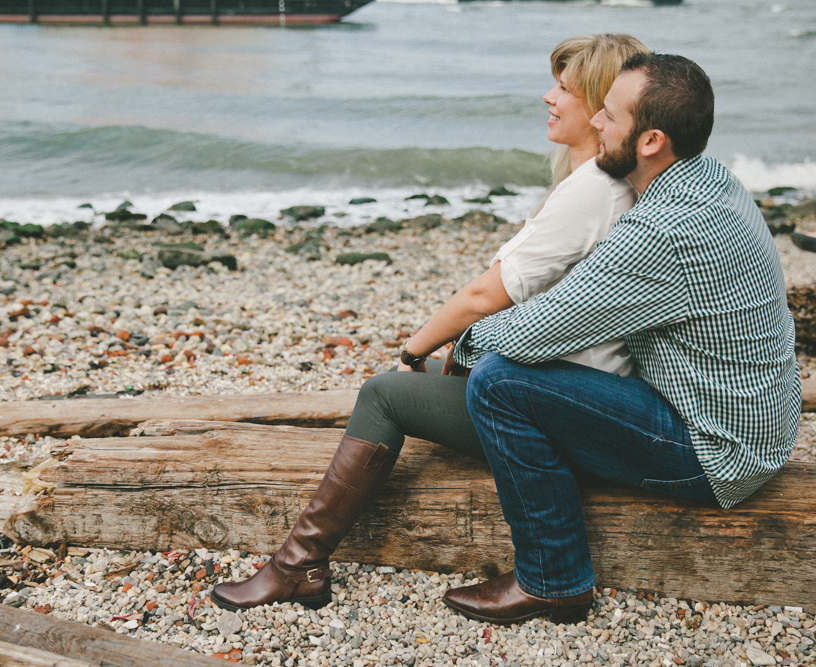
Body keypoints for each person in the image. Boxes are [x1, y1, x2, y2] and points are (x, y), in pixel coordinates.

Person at [209, 33, 650, 614]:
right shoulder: (605, 184)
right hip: (570, 392)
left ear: (598, 109)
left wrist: (415, 348)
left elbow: (480, 296)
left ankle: (297, 569)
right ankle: (298, 567)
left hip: (554, 412)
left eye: (563, 89)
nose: (547, 97)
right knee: (420, 386)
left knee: (385, 394)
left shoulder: (592, 190)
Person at [440, 53, 800, 625]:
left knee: (498, 381)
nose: (598, 124)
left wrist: (461, 346)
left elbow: (541, 328)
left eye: (609, 114)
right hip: (760, 427)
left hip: (717, 452)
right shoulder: (713, 180)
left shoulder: (663, 230)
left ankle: (552, 580)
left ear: (651, 139)